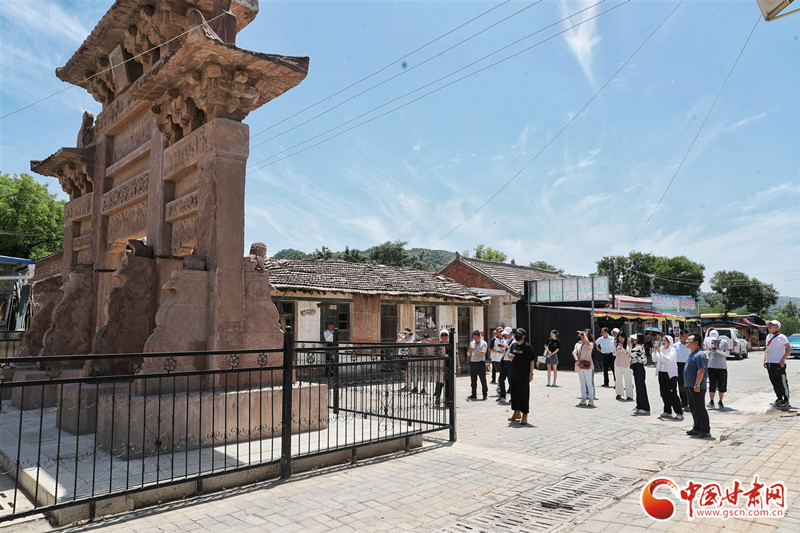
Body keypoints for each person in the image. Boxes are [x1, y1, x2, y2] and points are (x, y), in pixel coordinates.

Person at [683, 334, 710, 438]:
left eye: (689, 340)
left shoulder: (699, 355)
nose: (686, 341)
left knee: (700, 408)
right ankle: (697, 427)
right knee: (693, 408)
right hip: (690, 386)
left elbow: (701, 370)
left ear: (696, 342)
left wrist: (697, 384)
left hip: (697, 386)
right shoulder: (692, 354)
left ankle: (705, 430)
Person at [508, 328, 535, 424]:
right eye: (516, 334)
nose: (516, 335)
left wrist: (531, 374)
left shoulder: (527, 347)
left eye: (519, 334)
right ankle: (516, 412)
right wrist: (510, 358)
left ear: (523, 336)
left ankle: (525, 414)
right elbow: (511, 357)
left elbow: (532, 360)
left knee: (524, 394)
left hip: (524, 374)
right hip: (514, 373)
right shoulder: (513, 345)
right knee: (514, 394)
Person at [653, 335, 683, 420]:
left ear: (669, 342)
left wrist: (660, 352)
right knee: (663, 392)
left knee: (672, 393)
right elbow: (654, 359)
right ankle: (667, 410)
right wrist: (655, 351)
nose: (663, 342)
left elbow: (669, 359)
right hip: (661, 373)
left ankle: (679, 412)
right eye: (662, 340)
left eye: (665, 340)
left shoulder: (672, 350)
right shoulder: (661, 349)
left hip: (670, 374)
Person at [764, 319, 791, 409]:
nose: (769, 326)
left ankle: (786, 400)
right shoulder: (768, 336)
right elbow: (767, 349)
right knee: (774, 382)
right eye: (769, 324)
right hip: (770, 363)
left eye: (772, 324)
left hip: (778, 364)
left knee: (782, 382)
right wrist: (765, 360)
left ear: (777, 327)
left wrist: (782, 360)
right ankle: (779, 399)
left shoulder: (781, 337)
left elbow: (789, 349)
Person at [703, 330, 729, 409]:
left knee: (722, 385)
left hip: (722, 367)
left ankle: (720, 401)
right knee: (712, 385)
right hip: (711, 366)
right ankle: (711, 401)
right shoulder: (708, 342)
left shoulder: (724, 342)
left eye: (715, 339)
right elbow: (704, 354)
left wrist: (717, 351)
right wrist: (709, 350)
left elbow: (727, 354)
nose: (714, 341)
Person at [573, 330, 595, 407]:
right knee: (582, 383)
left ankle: (591, 399)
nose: (583, 336)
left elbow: (588, 344)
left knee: (589, 383)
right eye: (582, 335)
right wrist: (577, 361)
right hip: (580, 365)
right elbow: (574, 352)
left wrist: (585, 336)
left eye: (585, 335)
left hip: (587, 365)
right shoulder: (578, 344)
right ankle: (583, 398)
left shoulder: (590, 344)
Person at [630, 334, 650, 415]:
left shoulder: (639, 347)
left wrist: (628, 344)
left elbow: (630, 352)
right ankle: (639, 405)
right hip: (636, 368)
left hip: (639, 368)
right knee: (638, 388)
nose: (633, 340)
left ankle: (645, 407)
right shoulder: (637, 346)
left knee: (641, 388)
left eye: (635, 339)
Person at [467, 330, 488, 400]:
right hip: (473, 362)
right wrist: (469, 351)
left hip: (480, 363)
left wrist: (475, 350)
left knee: (483, 379)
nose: (475, 339)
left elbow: (483, 353)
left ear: (479, 337)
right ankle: (473, 394)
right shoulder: (472, 343)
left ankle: (484, 394)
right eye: (474, 338)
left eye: (476, 338)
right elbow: (468, 354)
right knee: (473, 380)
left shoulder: (484, 343)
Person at [496, 327, 515, 402]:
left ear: (511, 333)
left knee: (510, 380)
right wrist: (501, 348)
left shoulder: (514, 341)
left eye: (507, 334)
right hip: (504, 361)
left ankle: (513, 397)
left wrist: (506, 346)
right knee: (501, 379)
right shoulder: (506, 340)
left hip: (510, 362)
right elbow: (504, 353)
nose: (506, 335)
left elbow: (513, 349)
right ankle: (502, 395)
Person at [614, 331, 633, 401]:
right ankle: (619, 393)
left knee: (628, 379)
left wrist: (623, 350)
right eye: (619, 338)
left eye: (622, 338)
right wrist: (616, 350)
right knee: (618, 379)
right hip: (617, 363)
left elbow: (628, 354)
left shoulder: (628, 344)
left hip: (625, 364)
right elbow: (614, 354)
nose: (621, 339)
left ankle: (629, 395)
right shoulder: (617, 343)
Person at [674, 329, 691, 410]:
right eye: (684, 337)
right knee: (681, 385)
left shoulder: (689, 345)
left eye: (687, 337)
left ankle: (688, 401)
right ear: (680, 336)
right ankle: (684, 403)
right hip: (679, 365)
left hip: (688, 365)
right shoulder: (675, 346)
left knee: (688, 384)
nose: (686, 339)